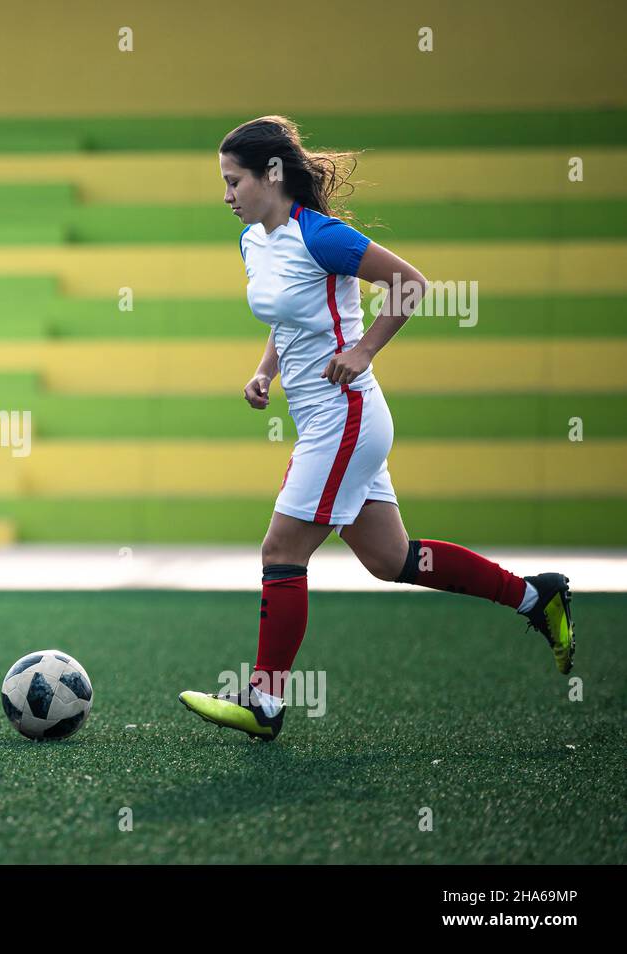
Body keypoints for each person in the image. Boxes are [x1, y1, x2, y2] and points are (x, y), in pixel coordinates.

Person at [178, 116, 574, 741]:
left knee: (281, 552)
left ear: (270, 176)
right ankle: (536, 597)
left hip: (346, 416)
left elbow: (412, 285)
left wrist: (363, 351)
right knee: (392, 560)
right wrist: (265, 371)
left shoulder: (323, 236)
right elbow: (289, 317)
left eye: (234, 182)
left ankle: (265, 702)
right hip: (323, 420)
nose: (226, 195)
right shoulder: (254, 240)